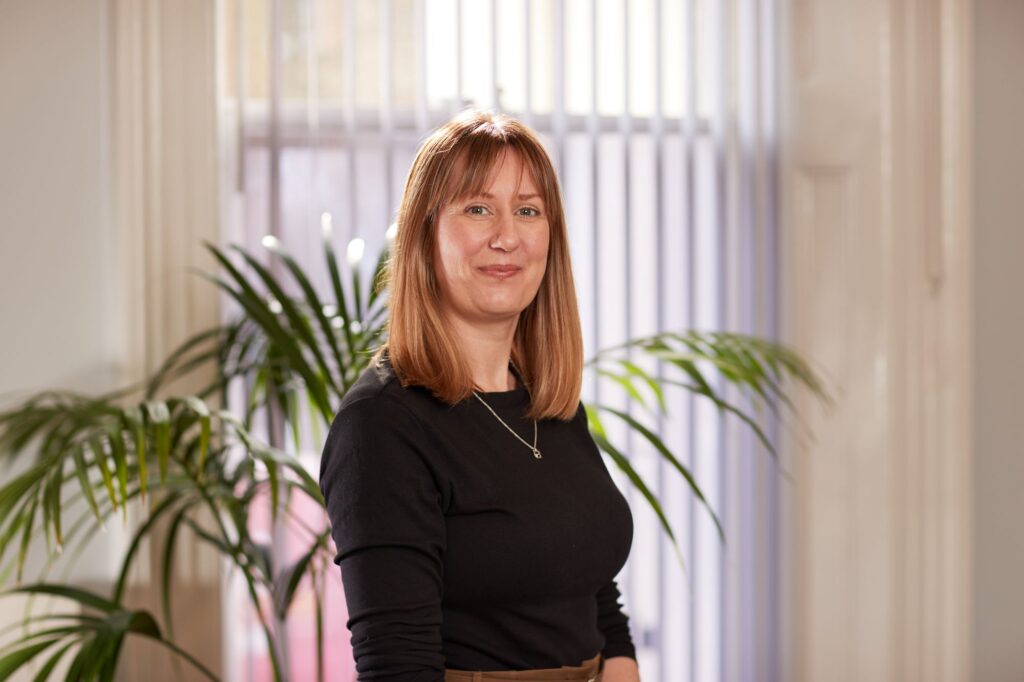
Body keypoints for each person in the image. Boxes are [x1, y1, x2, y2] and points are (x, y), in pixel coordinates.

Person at [319, 109, 640, 682]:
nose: (506, 237)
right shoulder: (382, 426)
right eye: (477, 208)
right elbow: (399, 669)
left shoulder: (548, 404)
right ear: (425, 235)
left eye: (527, 210)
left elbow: (592, 592)